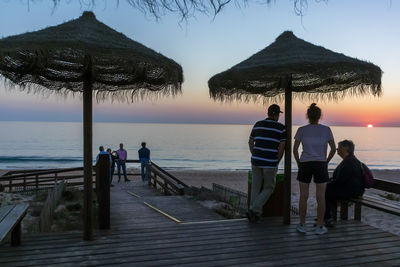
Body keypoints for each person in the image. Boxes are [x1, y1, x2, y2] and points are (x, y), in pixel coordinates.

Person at [293, 103, 336, 235]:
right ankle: (319, 226)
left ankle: (302, 224)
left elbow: (295, 150)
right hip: (320, 164)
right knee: (320, 197)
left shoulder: (301, 130)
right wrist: (326, 161)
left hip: (305, 163)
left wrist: (299, 163)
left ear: (308, 116)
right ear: (320, 116)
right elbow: (334, 149)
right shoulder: (326, 129)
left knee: (303, 196)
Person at [247, 104, 286, 223]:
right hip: (270, 162)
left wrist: (255, 154)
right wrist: (276, 161)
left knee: (255, 187)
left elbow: (250, 142)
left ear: (268, 113)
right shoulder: (281, 128)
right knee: (269, 187)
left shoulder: (258, 124)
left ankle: (255, 213)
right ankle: (254, 209)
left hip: (256, 161)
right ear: (276, 114)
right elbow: (281, 148)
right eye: (279, 114)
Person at [324, 140, 364, 226]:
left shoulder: (350, 161)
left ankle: (328, 217)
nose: (337, 149)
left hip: (353, 191)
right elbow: (339, 179)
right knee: (326, 189)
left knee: (325, 191)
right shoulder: (348, 159)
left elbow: (341, 180)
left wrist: (327, 184)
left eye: (339, 147)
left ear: (346, 148)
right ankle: (328, 216)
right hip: (350, 188)